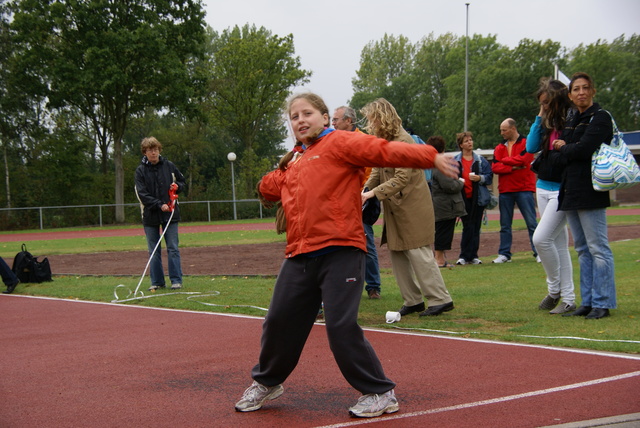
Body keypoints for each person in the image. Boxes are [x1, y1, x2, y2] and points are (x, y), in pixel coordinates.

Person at [235, 92, 458, 418]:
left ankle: (380, 392)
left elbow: (383, 149)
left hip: (341, 250)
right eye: (294, 116)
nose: (300, 120)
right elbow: (270, 188)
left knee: (339, 326)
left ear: (324, 118)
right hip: (299, 254)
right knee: (278, 321)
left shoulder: (340, 143)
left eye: (307, 113)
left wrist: (428, 156)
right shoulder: (297, 158)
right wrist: (273, 177)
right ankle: (268, 381)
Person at [361, 98, 455, 318]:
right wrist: (365, 189)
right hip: (395, 208)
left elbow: (403, 177)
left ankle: (441, 299)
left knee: (418, 252)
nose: (371, 124)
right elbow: (377, 170)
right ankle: (412, 300)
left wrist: (372, 193)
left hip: (411, 207)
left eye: (372, 119)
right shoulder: (384, 141)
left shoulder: (404, 141)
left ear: (382, 118)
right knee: (398, 254)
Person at [552, 72, 616, 320]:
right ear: (570, 95)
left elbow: (583, 149)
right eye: (576, 89)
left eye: (585, 88)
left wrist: (564, 148)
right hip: (570, 190)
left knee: (598, 248)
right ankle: (587, 302)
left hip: (591, 191)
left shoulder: (600, 118)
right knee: (582, 249)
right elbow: (559, 155)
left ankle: (603, 302)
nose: (581, 92)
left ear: (593, 91)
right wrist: (566, 149)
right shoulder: (571, 119)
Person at [526, 78, 576, 314]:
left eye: (546, 103)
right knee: (558, 244)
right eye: (541, 103)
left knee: (540, 239)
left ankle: (555, 290)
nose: (543, 107)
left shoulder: (572, 120)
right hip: (543, 186)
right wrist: (539, 116)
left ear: (557, 101)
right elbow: (530, 146)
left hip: (562, 188)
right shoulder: (546, 121)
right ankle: (568, 298)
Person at [332, 105, 382, 299]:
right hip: (339, 202)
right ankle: (346, 286)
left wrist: (363, 193)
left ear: (348, 121)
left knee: (366, 242)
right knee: (341, 247)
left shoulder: (363, 140)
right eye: (333, 120)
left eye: (336, 120)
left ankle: (373, 286)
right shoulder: (332, 142)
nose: (333, 123)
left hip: (362, 198)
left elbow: (371, 172)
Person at [134, 137, 186, 291]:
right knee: (154, 249)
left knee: (173, 247)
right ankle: (157, 281)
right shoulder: (140, 171)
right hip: (150, 215)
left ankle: (176, 280)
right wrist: (158, 204)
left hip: (170, 214)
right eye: (150, 150)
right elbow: (142, 193)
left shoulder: (169, 166)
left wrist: (178, 186)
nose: (153, 152)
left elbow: (182, 182)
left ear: (159, 150)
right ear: (145, 152)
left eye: (155, 149)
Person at [491, 118, 538, 263]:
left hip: (524, 189)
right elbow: (495, 167)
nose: (502, 133)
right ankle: (504, 254)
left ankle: (538, 252)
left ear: (513, 128)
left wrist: (504, 161)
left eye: (504, 130)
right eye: (501, 130)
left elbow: (525, 160)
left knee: (531, 223)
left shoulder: (526, 143)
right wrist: (512, 166)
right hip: (505, 190)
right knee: (505, 225)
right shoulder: (499, 147)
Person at [452, 132, 493, 265]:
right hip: (462, 198)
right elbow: (450, 177)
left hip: (478, 198)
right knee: (467, 225)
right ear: (461, 145)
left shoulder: (480, 160)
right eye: (466, 141)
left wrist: (479, 178)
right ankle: (464, 255)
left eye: (471, 140)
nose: (470, 142)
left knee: (476, 226)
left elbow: (489, 177)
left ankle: (473, 255)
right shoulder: (455, 161)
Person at [427, 136, 466, 268]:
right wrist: (460, 182)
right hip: (444, 205)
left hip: (441, 204)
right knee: (443, 232)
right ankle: (439, 259)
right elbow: (450, 186)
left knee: (442, 231)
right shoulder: (439, 166)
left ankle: (441, 258)